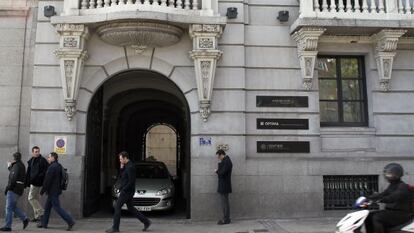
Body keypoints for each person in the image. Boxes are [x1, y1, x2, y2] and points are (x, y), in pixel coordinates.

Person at [106, 151, 151, 233]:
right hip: (127, 191)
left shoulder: (130, 167)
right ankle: (146, 221)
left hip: (127, 191)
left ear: (125, 158)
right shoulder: (126, 166)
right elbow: (122, 177)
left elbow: (131, 182)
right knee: (131, 208)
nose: (120, 161)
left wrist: (124, 189)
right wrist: (121, 167)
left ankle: (115, 228)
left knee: (117, 207)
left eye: (120, 159)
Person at [364, 163, 414, 233]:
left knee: (377, 218)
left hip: (402, 214)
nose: (387, 176)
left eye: (389, 174)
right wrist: (368, 198)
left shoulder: (402, 186)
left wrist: (381, 200)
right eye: (386, 174)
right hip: (392, 212)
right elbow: (383, 194)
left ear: (397, 174)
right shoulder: (392, 186)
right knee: (368, 216)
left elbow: (394, 197)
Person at [37, 152, 75, 231]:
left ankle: (70, 221)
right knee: (47, 207)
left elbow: (47, 181)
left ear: (53, 158)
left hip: (52, 191)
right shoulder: (58, 165)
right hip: (56, 190)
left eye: (49, 157)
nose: (48, 158)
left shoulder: (52, 167)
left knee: (57, 207)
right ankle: (44, 223)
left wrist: (42, 191)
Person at [0, 152, 29, 231]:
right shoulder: (21, 165)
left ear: (14, 158)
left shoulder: (16, 166)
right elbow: (15, 174)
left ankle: (8, 226)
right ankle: (25, 218)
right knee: (12, 207)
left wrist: (8, 188)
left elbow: (13, 178)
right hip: (19, 189)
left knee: (8, 207)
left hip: (13, 189)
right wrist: (10, 167)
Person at [25, 146, 48, 222]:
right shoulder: (32, 160)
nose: (37, 153)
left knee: (31, 198)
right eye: (36, 151)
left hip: (37, 182)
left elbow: (45, 171)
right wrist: (27, 181)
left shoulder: (42, 160)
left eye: (38, 151)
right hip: (33, 182)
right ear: (33, 152)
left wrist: (38, 178)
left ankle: (41, 212)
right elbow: (29, 171)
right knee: (36, 199)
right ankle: (37, 216)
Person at [215, 149, 233, 225]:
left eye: (219, 157)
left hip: (224, 185)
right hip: (224, 184)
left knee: (224, 203)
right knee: (225, 202)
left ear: (221, 154)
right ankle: (226, 218)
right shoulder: (225, 161)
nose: (218, 158)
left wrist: (216, 171)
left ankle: (226, 219)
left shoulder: (227, 161)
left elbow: (222, 173)